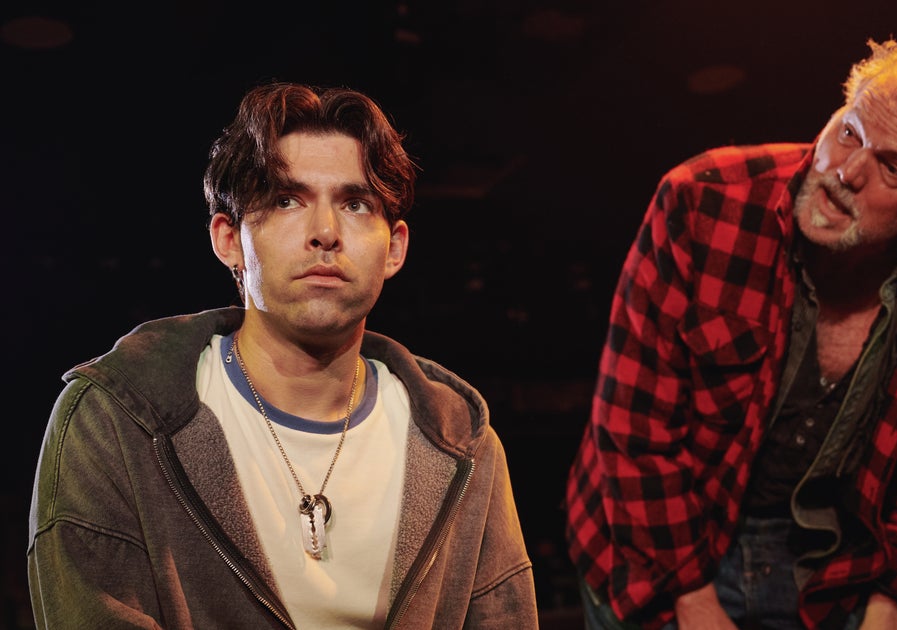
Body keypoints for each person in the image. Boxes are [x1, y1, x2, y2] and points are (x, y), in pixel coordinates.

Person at [27, 81, 539, 629]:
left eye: (355, 204)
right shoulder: (116, 421)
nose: (325, 232)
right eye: (286, 200)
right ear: (229, 239)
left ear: (394, 247)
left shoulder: (461, 440)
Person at [565, 38, 897, 629]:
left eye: (892, 167)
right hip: (658, 538)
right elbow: (632, 427)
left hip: (832, 566)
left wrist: (891, 600)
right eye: (849, 132)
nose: (845, 172)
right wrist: (692, 598)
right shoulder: (703, 201)